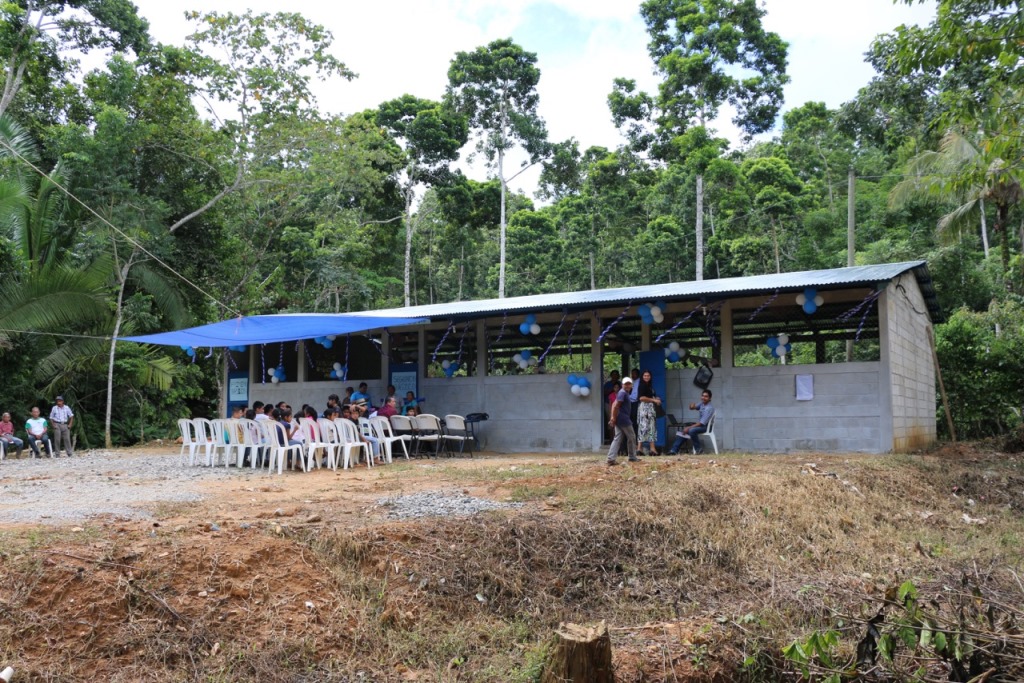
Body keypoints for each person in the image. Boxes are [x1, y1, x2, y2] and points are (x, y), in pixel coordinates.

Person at [668, 389, 715, 455]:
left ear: (710, 398)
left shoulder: (709, 408)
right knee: (685, 431)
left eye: (706, 396)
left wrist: (688, 428)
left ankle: (699, 450)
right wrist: (691, 406)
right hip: (701, 425)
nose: (703, 398)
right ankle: (673, 450)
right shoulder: (702, 404)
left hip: (706, 427)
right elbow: (693, 407)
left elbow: (702, 423)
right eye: (702, 396)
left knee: (691, 430)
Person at [606, 376, 639, 466]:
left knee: (618, 438)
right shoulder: (623, 393)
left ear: (632, 385)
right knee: (631, 436)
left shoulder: (622, 393)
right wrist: (613, 417)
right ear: (622, 385)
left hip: (619, 418)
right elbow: (616, 406)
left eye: (629, 384)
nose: (628, 386)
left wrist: (613, 418)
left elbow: (614, 404)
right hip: (623, 419)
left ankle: (611, 458)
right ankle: (632, 457)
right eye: (626, 384)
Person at [636, 369, 662, 456]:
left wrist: (655, 398)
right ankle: (642, 448)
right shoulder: (642, 386)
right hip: (644, 408)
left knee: (650, 427)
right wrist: (653, 400)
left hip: (650, 408)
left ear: (650, 377)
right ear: (642, 377)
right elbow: (641, 398)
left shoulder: (649, 386)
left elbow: (649, 396)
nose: (646, 377)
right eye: (645, 376)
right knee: (645, 427)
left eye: (648, 376)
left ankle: (650, 448)